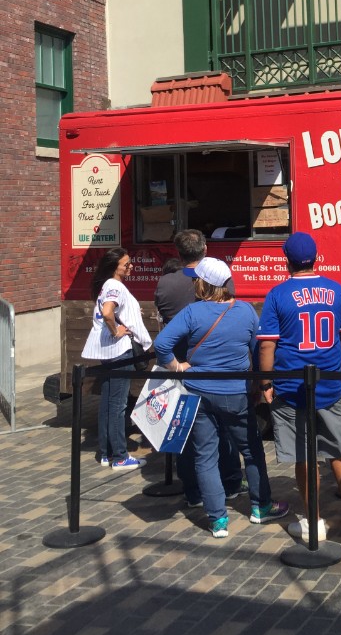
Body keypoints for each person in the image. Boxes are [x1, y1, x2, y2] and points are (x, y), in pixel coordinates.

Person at [154, 257, 287, 538]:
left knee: (205, 455)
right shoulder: (246, 311)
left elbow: (162, 344)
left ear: (202, 284)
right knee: (251, 450)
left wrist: (177, 366)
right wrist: (260, 385)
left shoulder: (192, 312)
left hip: (199, 391)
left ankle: (218, 520)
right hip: (236, 393)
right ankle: (260, 507)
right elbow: (256, 349)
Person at [258, 232, 341, 542]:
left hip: (291, 386)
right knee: (339, 452)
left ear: (286, 259)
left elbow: (266, 347)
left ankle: (314, 522)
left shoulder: (277, 294)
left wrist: (265, 382)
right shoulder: (338, 290)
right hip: (328, 383)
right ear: (316, 257)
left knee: (305, 456)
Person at [154, 229, 242, 508]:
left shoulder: (165, 283)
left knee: (185, 433)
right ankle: (229, 485)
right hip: (215, 367)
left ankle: (193, 491)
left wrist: (175, 365)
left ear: (178, 253)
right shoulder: (220, 278)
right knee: (223, 432)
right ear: (204, 248)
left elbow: (163, 324)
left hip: (180, 367)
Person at [82, 247, 152, 471]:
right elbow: (107, 311)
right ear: (115, 266)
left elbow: (112, 310)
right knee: (118, 404)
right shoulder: (114, 285)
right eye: (127, 264)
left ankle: (105, 452)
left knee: (108, 402)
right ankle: (120, 456)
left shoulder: (107, 285)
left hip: (108, 352)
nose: (131, 266)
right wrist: (116, 330)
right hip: (120, 350)